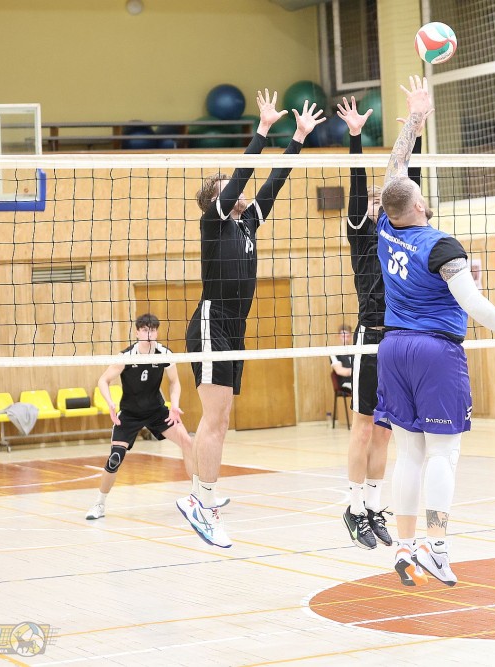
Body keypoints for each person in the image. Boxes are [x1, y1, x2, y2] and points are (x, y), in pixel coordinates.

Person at [375, 75, 495, 587]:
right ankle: (437, 546)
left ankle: (404, 545)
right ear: (419, 206)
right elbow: (471, 302)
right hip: (434, 351)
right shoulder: (441, 244)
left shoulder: (385, 226)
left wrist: (415, 121)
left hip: (392, 347)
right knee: (443, 453)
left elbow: (395, 170)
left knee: (409, 453)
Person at [177, 90, 324, 548]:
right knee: (215, 420)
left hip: (234, 329)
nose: (238, 192)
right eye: (228, 189)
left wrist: (297, 138)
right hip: (211, 323)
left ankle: (200, 495)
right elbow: (243, 175)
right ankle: (203, 504)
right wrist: (261, 130)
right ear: (216, 200)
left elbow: (273, 183)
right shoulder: (215, 222)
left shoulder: (247, 223)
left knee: (220, 421)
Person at [336, 96, 424, 551]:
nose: (374, 205)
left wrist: (417, 135)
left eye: (380, 202)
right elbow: (358, 186)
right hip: (370, 336)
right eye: (370, 202)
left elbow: (410, 186)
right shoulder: (361, 233)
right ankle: (353, 508)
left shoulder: (402, 233)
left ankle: (372, 506)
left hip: (400, 339)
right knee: (364, 425)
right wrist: (355, 137)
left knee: (386, 431)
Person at [87, 313, 193, 520]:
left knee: (188, 443)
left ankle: (199, 497)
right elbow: (103, 380)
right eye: (145, 330)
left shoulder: (164, 353)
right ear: (137, 332)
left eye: (152, 330)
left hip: (157, 411)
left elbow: (174, 382)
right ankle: (99, 504)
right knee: (115, 459)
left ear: (157, 332)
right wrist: (110, 403)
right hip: (130, 414)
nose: (149, 334)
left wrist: (175, 404)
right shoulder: (127, 356)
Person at [329, 324, 353, 394]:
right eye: (343, 336)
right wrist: (357, 371)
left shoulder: (355, 350)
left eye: (347, 336)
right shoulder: (334, 352)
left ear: (351, 336)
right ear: (339, 336)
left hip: (358, 380)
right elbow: (339, 371)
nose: (345, 339)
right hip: (345, 384)